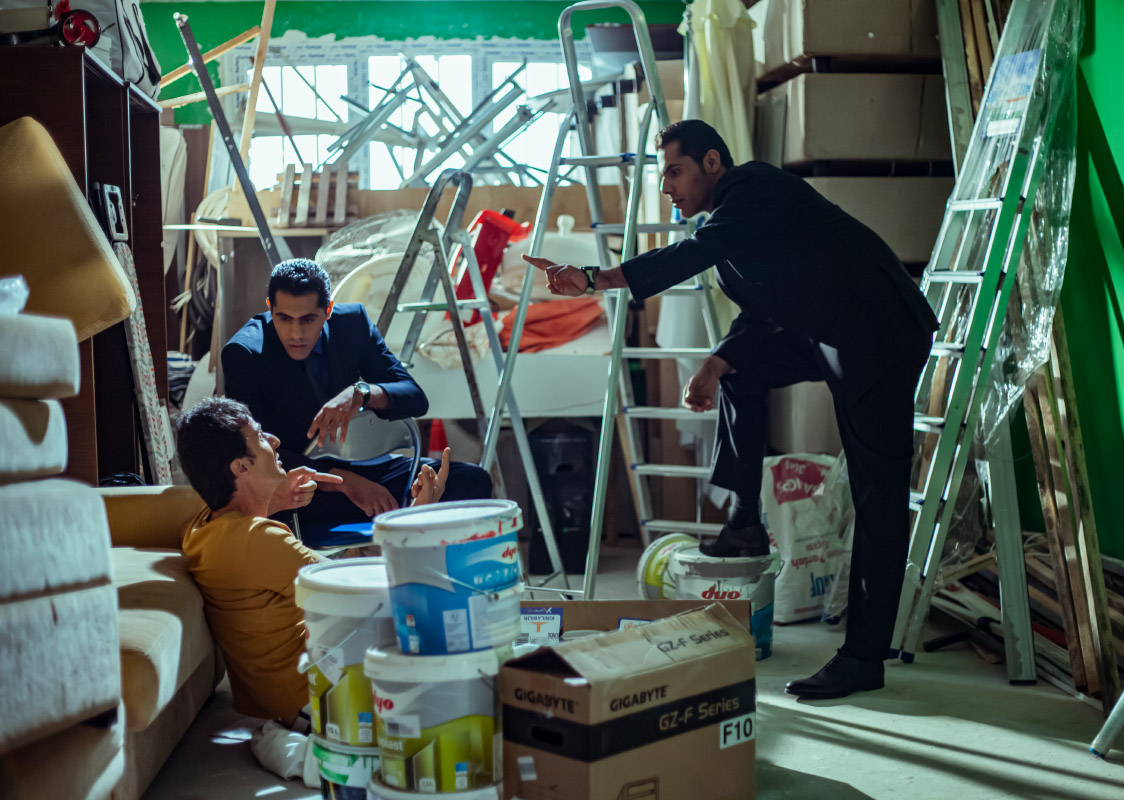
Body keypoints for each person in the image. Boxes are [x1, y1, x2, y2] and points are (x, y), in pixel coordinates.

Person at [523, 120, 938, 701]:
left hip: (879, 333)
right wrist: (717, 363)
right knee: (741, 370)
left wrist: (596, 278)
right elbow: (764, 306)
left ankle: (864, 658)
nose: (667, 187)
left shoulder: (753, 188)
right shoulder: (732, 229)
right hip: (832, 331)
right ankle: (745, 524)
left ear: (712, 163)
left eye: (675, 171)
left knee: (878, 496)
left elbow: (692, 253)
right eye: (663, 175)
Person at [175, 396, 449, 725]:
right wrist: (418, 515)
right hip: (317, 704)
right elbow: (372, 590)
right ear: (241, 467)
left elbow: (239, 536)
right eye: (260, 436)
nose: (274, 441)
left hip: (278, 701)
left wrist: (275, 499)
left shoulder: (201, 528)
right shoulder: (259, 540)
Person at [222, 258, 492, 544]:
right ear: (270, 308)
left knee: (472, 481)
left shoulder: (352, 325)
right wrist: (345, 483)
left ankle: (424, 560)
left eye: (308, 319)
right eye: (284, 319)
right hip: (299, 489)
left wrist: (360, 394)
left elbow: (414, 397)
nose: (296, 334)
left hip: (369, 471)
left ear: (328, 310)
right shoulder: (244, 353)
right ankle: (405, 537)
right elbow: (252, 453)